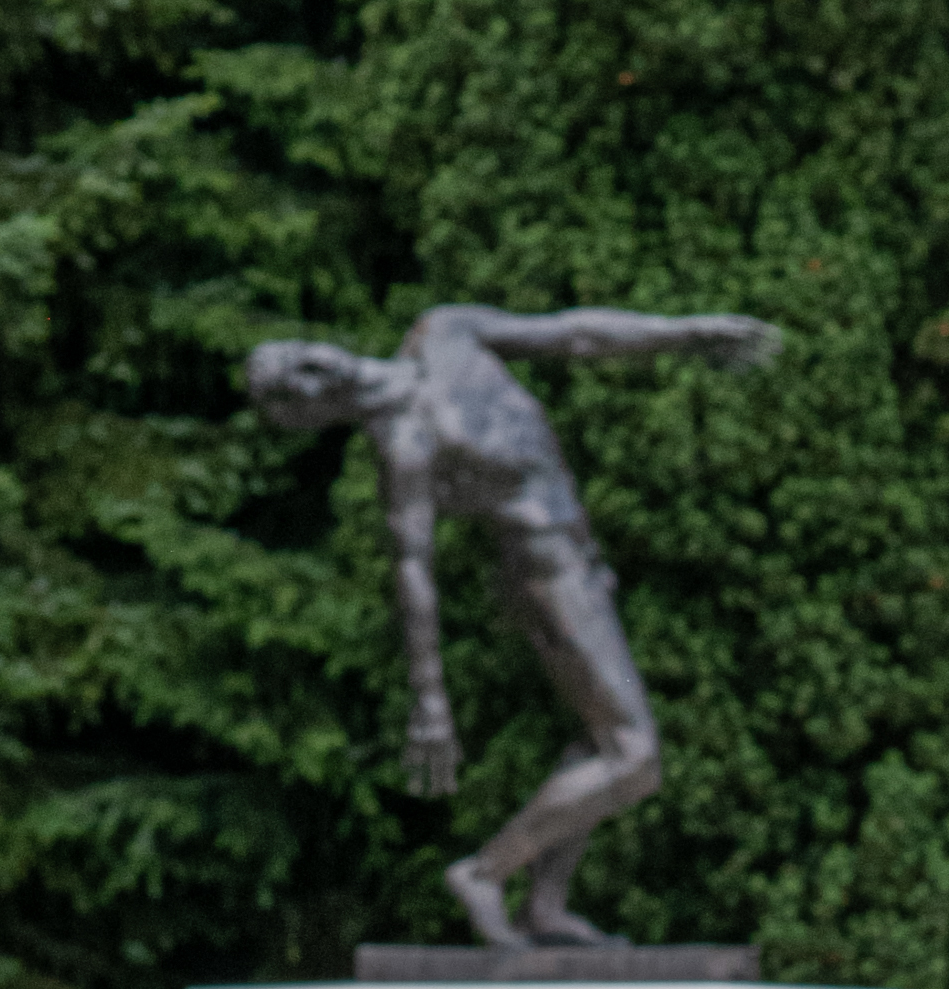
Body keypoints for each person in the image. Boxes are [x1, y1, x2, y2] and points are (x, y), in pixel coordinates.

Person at [244, 305, 779, 949]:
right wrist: (430, 700)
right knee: (635, 759)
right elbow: (413, 571)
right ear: (309, 412)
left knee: (601, 740)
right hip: (548, 578)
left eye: (301, 351)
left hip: (577, 561)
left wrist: (686, 332)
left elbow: (575, 334)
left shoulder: (445, 332)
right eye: (297, 381)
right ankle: (485, 872)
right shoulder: (405, 443)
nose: (315, 366)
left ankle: (544, 905)